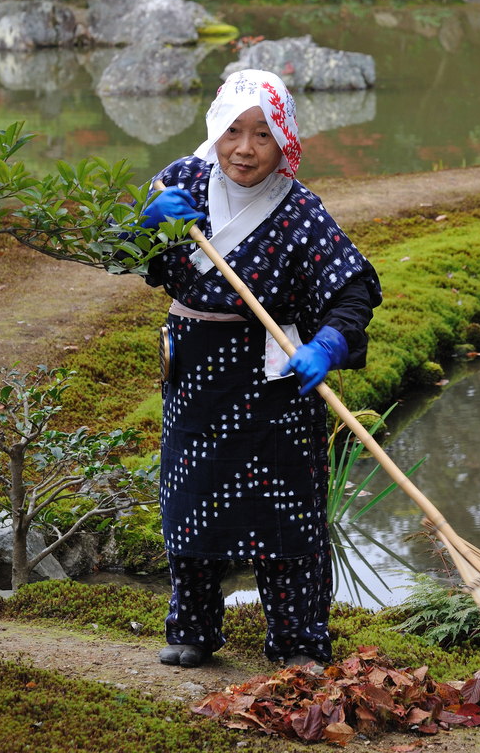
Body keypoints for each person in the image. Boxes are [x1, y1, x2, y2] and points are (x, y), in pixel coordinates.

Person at [137, 68, 382, 669]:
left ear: (285, 142)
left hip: (273, 389)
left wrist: (326, 344)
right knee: (191, 500)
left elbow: (352, 292)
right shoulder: (181, 184)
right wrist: (146, 223)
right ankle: (192, 631)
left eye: (262, 135)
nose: (244, 149)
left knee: (288, 518)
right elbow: (127, 255)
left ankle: (299, 643)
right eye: (233, 131)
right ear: (215, 129)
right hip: (195, 380)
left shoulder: (300, 211)